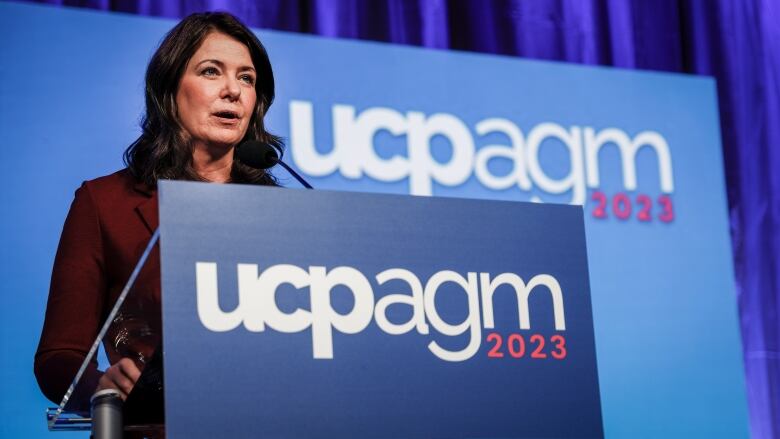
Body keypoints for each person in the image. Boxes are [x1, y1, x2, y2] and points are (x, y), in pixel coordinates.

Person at [34, 12, 281, 408]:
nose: (233, 90)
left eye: (247, 78)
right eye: (211, 72)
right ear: (169, 90)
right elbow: (58, 357)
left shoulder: (287, 216)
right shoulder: (105, 204)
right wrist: (102, 388)